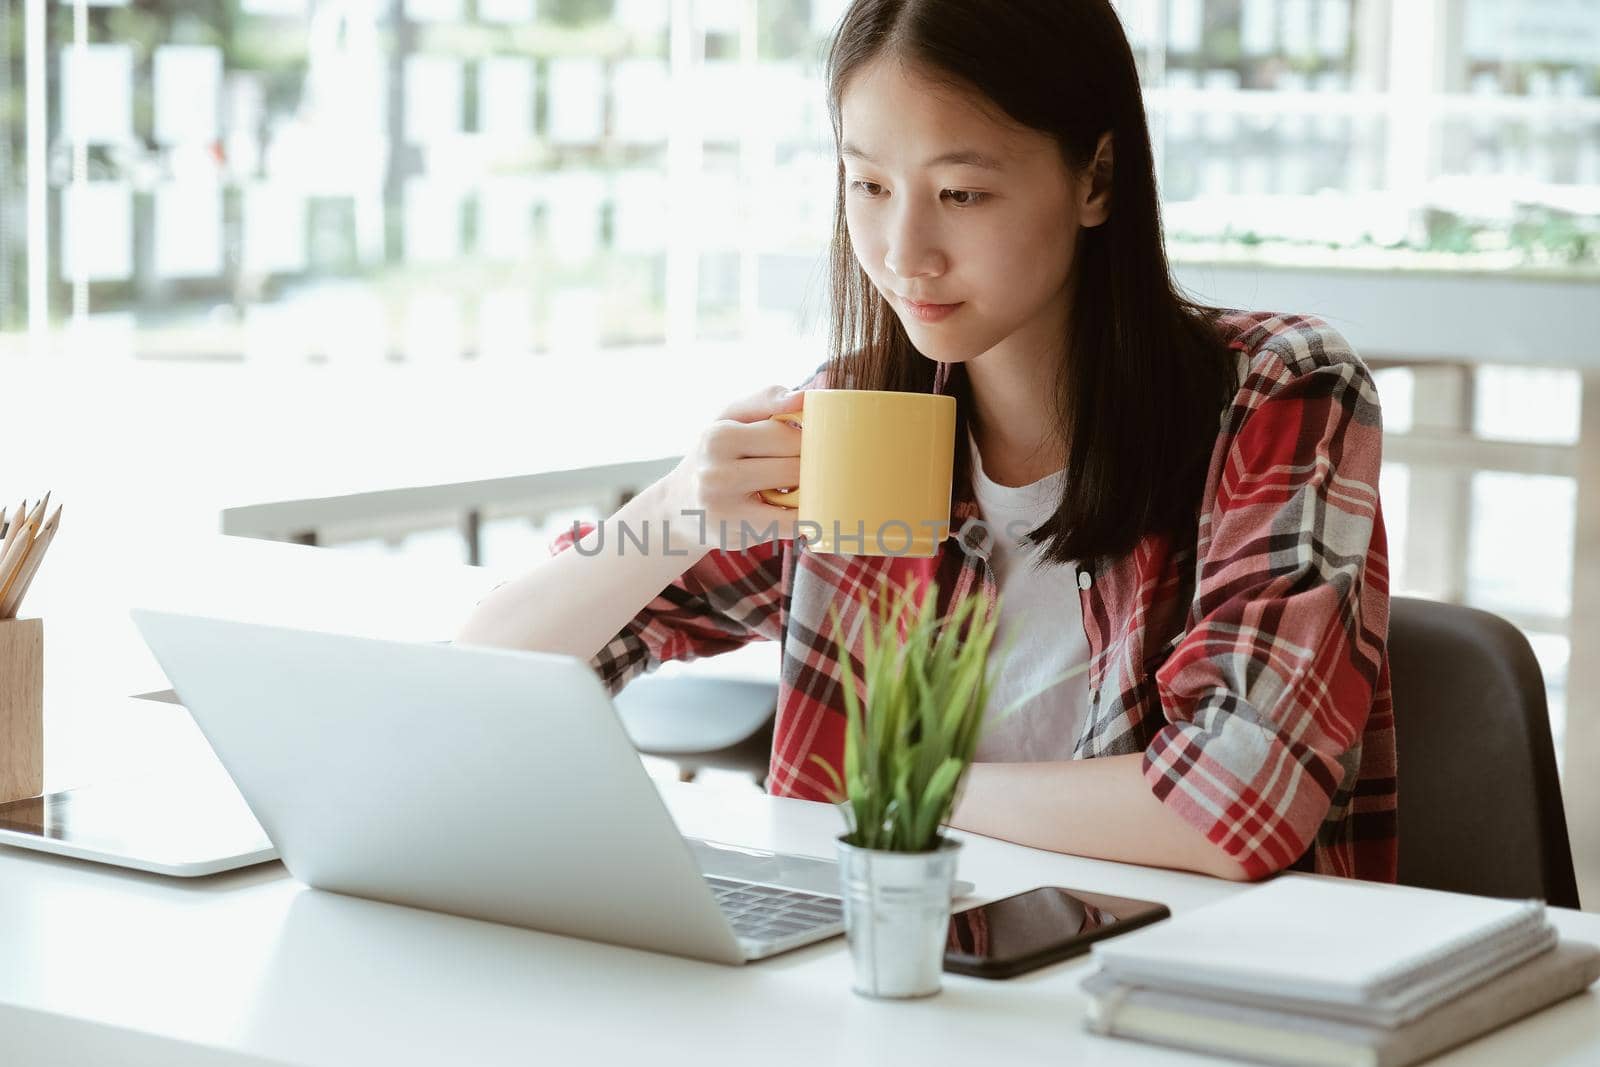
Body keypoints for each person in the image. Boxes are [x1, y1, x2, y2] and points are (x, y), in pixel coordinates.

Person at [456, 0, 1395, 883]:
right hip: (889, 983)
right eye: (867, 183)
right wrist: (675, 514)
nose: (905, 250)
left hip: (1180, 1002)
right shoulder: (856, 423)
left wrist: (898, 791)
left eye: (961, 192)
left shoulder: (1277, 391)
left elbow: (1232, 805)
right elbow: (486, 671)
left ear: (1096, 179)